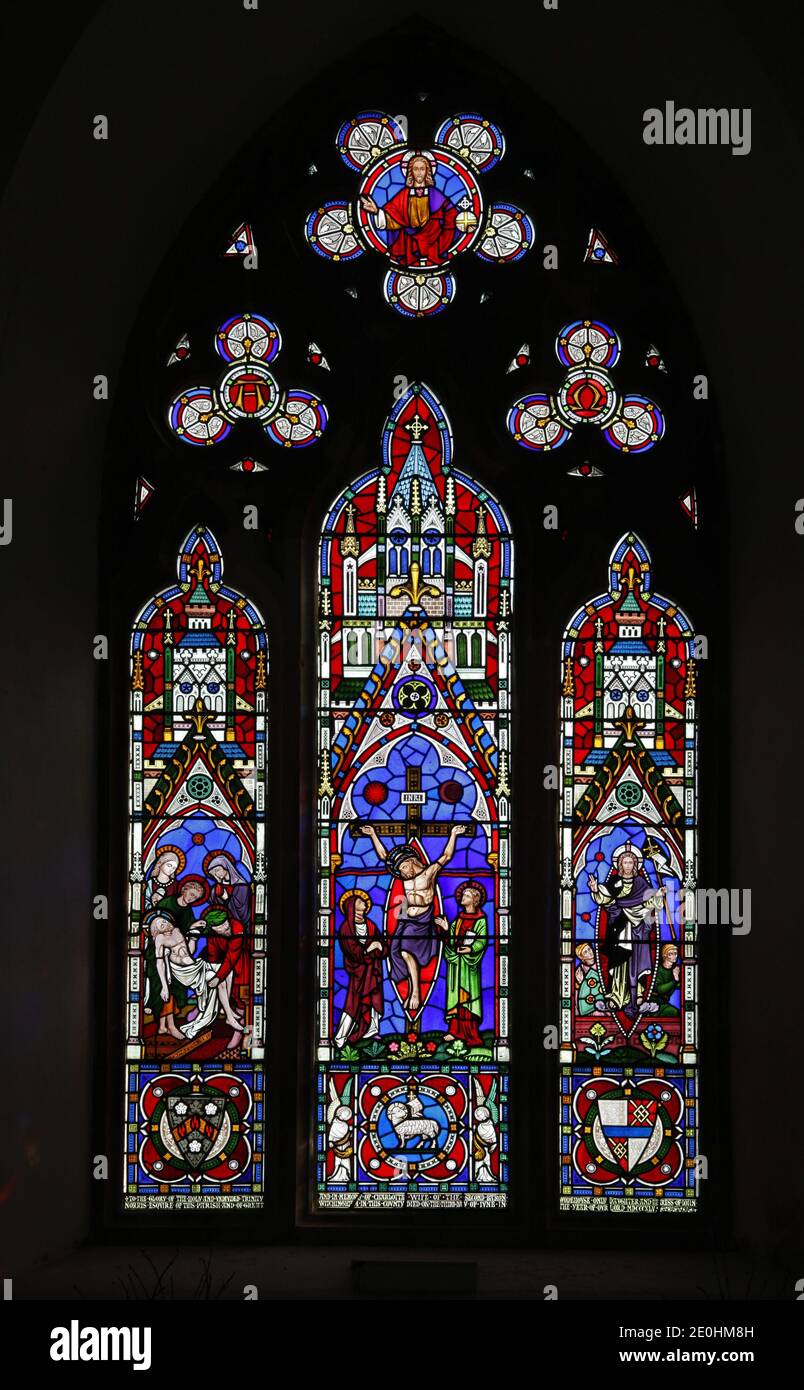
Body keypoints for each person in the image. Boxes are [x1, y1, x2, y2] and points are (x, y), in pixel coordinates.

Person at [359, 821, 468, 1013]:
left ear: (410, 861)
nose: (401, 872)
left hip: (423, 920)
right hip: (405, 918)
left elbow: (446, 856)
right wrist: (373, 834)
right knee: (396, 951)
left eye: (402, 867)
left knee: (405, 952)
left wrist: (453, 834)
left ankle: (415, 992)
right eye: (399, 870)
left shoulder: (429, 874)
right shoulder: (405, 878)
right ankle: (411, 988)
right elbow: (385, 857)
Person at [145, 909, 244, 1043]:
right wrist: (164, 986)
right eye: (159, 924)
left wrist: (193, 938)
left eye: (164, 920)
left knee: (227, 973)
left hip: (196, 966)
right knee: (220, 981)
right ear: (154, 930)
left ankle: (228, 1012)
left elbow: (189, 951)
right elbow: (160, 963)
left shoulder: (177, 931)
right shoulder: (160, 939)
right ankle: (229, 1017)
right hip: (183, 972)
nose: (163, 924)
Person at [588, 843, 663, 1017]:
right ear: (620, 864)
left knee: (636, 963)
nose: (628, 865)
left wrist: (658, 895)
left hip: (637, 930)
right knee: (619, 964)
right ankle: (616, 997)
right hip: (619, 928)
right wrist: (595, 889)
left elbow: (649, 903)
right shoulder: (614, 881)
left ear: (635, 865)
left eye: (631, 862)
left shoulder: (640, 883)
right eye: (625, 862)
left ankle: (635, 997)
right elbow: (605, 898)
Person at [360, 151, 461, 268]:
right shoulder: (403, 195)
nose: (419, 173)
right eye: (416, 169)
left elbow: (451, 215)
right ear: (410, 172)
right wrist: (377, 212)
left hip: (434, 241)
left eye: (422, 169)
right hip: (409, 243)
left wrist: (463, 222)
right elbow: (393, 218)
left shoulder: (436, 194)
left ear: (428, 171)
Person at [143, 875, 208, 1040]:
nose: (192, 898)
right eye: (191, 894)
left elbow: (183, 934)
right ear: (184, 890)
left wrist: (193, 927)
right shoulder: (167, 903)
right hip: (157, 954)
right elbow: (156, 926)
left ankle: (164, 1026)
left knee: (175, 987)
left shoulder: (188, 911)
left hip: (174, 954)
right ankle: (170, 1026)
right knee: (166, 988)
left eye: (196, 897)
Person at [334, 888, 386, 1048]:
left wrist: (380, 947)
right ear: (352, 907)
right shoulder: (346, 928)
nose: (365, 903)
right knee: (352, 1004)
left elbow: (383, 946)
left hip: (373, 970)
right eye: (360, 901)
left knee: (375, 999)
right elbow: (353, 951)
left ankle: (372, 1029)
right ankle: (340, 1037)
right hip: (358, 972)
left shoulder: (370, 925)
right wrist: (371, 948)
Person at [443, 880, 488, 1046]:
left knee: (468, 997)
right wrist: (446, 927)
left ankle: (471, 1033)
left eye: (467, 895)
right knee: (455, 997)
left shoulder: (481, 919)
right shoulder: (459, 918)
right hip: (456, 965)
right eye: (463, 895)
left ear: (475, 900)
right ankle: (454, 1031)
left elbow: (482, 941)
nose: (463, 897)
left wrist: (470, 950)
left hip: (469, 966)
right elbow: (452, 938)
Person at [143, 844, 185, 911]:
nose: (171, 869)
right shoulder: (150, 883)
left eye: (174, 868)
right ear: (160, 863)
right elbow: (145, 902)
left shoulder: (176, 885)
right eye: (169, 865)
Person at [648, 942, 682, 1015]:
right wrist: (675, 980)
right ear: (664, 955)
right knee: (674, 1012)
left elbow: (680, 985)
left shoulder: (675, 970)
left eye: (675, 953)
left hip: (664, 1003)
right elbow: (660, 989)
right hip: (653, 1004)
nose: (674, 956)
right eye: (671, 954)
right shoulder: (658, 970)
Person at [574, 942, 607, 1016]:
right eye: (585, 952)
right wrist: (581, 983)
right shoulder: (580, 971)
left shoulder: (603, 963)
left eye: (589, 949)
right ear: (581, 957)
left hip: (607, 1000)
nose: (589, 952)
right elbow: (579, 996)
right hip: (590, 1006)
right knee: (598, 1014)